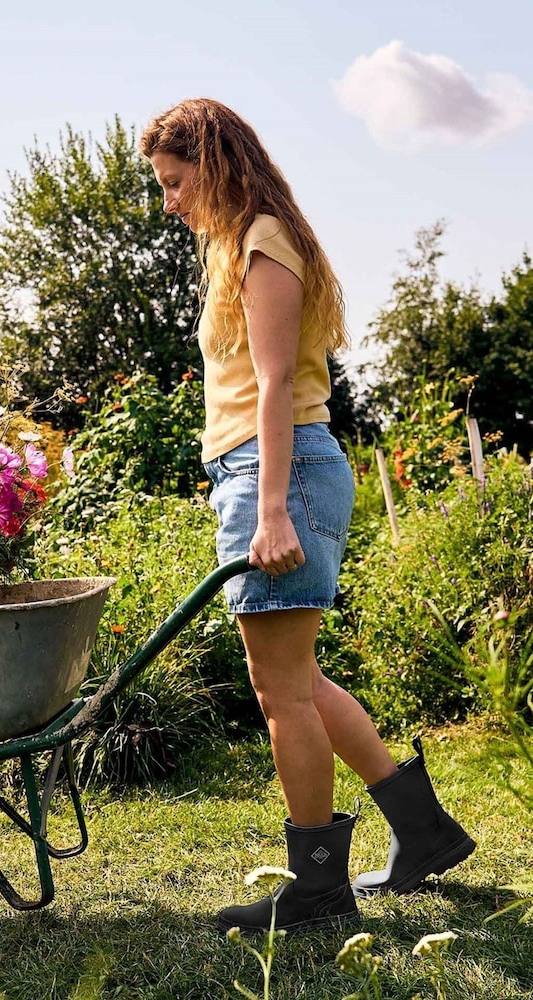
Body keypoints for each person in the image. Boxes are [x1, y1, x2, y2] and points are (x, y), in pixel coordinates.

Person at [140, 98, 476, 935]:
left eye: (177, 184)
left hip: (277, 474)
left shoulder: (262, 242)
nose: (170, 201)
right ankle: (423, 832)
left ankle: (318, 888)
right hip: (257, 472)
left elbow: (281, 387)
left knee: (279, 687)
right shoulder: (241, 247)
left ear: (213, 167)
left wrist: (273, 507)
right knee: (301, 680)